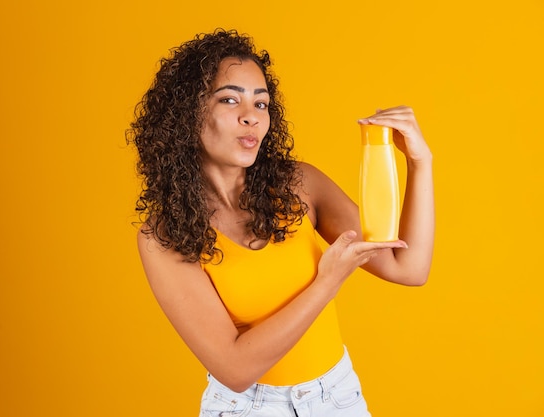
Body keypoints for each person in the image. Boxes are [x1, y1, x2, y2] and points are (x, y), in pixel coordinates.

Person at [127, 29, 434, 417]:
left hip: (337, 399)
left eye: (261, 104)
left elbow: (410, 268)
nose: (250, 117)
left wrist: (420, 163)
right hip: (247, 407)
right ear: (187, 113)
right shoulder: (165, 236)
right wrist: (328, 281)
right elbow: (234, 369)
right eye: (229, 99)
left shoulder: (300, 185)